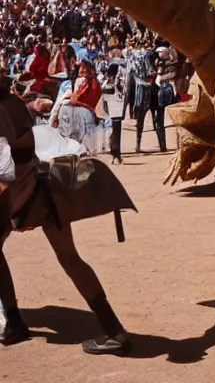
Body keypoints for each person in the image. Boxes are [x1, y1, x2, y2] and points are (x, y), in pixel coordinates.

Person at [0, 75, 131, 355]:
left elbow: (4, 169)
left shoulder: (3, 108)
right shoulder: (12, 103)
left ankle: (13, 321)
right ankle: (114, 330)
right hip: (41, 193)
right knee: (70, 258)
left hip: (20, 195)